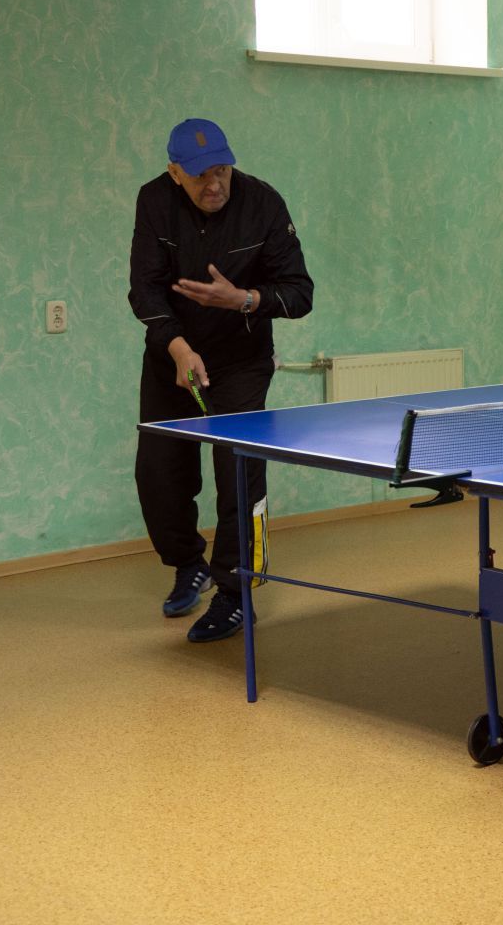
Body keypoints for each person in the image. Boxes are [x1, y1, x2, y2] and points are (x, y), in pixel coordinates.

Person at [129, 118, 313, 642]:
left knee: (239, 473)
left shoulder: (264, 204)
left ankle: (236, 592)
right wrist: (178, 346)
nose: (214, 185)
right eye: (199, 176)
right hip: (173, 355)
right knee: (158, 474)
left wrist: (244, 300)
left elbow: (300, 293)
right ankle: (189, 564)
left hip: (240, 360)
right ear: (174, 173)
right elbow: (144, 288)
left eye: (222, 171)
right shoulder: (154, 201)